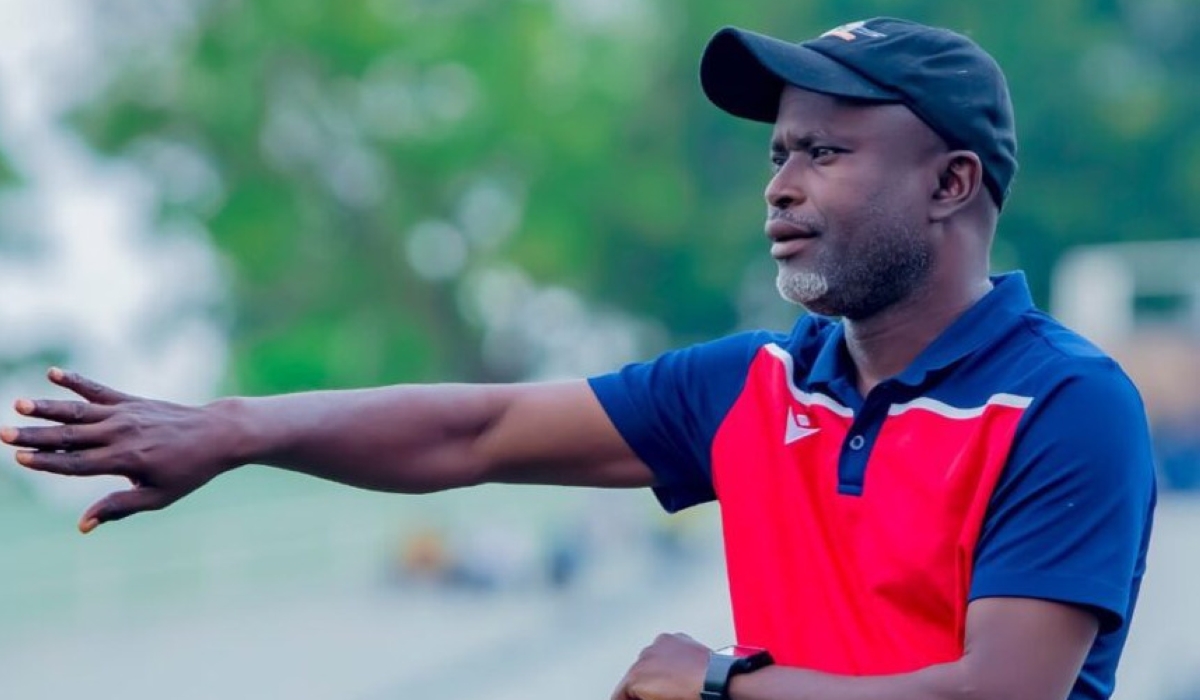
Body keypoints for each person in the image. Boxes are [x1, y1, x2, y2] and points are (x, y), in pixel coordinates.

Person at [1, 17, 1155, 700]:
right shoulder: (754, 384)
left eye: (827, 153)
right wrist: (236, 430)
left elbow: (1005, 693)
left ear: (953, 183)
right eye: (779, 152)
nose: (782, 184)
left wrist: (718, 684)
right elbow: (480, 429)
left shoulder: (1066, 401)